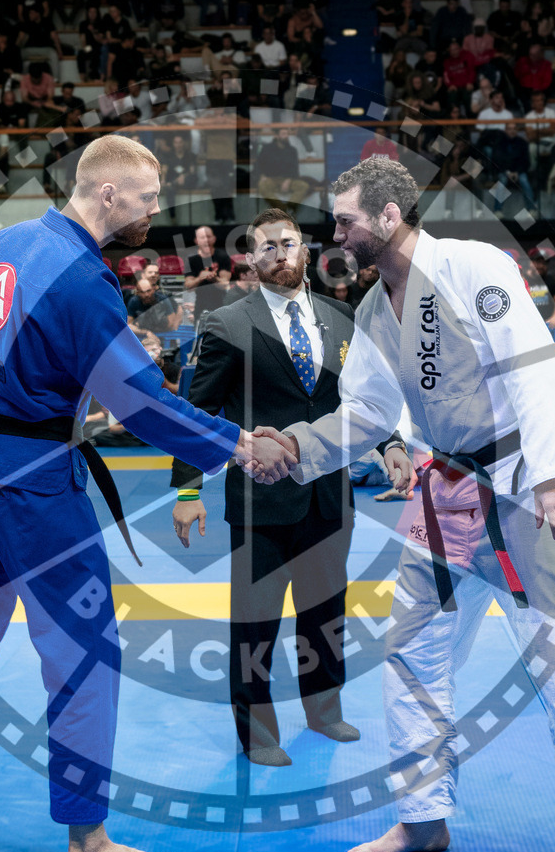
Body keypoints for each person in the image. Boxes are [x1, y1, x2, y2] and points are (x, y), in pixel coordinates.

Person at [0, 135, 294, 852]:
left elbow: (0, 346)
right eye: (147, 195)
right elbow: (138, 401)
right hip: (31, 479)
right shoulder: (83, 277)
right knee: (82, 650)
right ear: (107, 194)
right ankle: (89, 844)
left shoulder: (4, 243)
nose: (155, 209)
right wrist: (234, 445)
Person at [253, 156, 555, 852]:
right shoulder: (371, 309)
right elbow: (363, 416)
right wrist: (295, 449)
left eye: (347, 220)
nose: (336, 233)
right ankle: (423, 816)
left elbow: (532, 365)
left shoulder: (472, 267)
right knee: (410, 651)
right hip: (445, 492)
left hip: (521, 489)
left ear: (389, 218)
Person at [170, 207, 410, 765]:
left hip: (328, 493)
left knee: (325, 612)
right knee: (255, 621)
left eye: (289, 243)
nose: (280, 254)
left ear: (307, 251)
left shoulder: (341, 316)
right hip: (259, 501)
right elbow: (196, 413)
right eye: (267, 247)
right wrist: (186, 492)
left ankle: (324, 711)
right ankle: (256, 732)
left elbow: (366, 398)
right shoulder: (227, 324)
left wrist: (392, 442)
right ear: (252, 260)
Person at [184, 225, 232, 321]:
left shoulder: (222, 257)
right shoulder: (191, 259)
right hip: (200, 302)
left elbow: (225, 284)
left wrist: (215, 278)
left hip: (220, 301)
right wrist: (200, 278)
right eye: (202, 237)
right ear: (196, 241)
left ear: (214, 239)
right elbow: (188, 286)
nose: (206, 240)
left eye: (209, 237)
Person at [126, 264, 182, 333]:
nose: (153, 275)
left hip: (161, 331)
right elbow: (128, 323)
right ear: (143, 275)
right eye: (150, 272)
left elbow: (178, 309)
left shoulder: (165, 294)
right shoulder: (131, 295)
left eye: (156, 273)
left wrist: (173, 331)